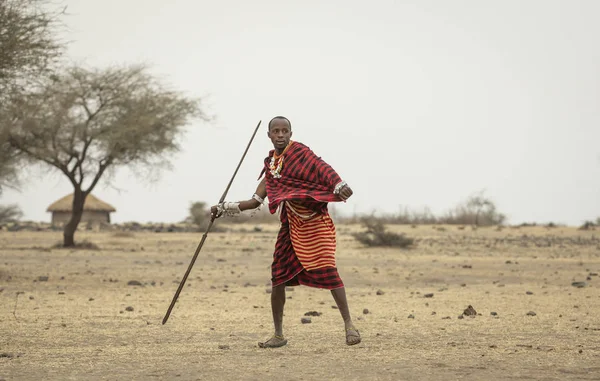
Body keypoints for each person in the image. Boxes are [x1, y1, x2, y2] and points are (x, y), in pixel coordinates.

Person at [211, 116, 361, 347]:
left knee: (328, 271)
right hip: (290, 226)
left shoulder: (301, 153)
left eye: (285, 131)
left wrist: (339, 184)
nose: (280, 135)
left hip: (315, 224)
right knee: (278, 277)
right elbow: (254, 202)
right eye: (276, 131)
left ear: (291, 133)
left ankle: (350, 325)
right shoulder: (271, 167)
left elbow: (322, 168)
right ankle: (279, 335)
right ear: (269, 135)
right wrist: (222, 208)